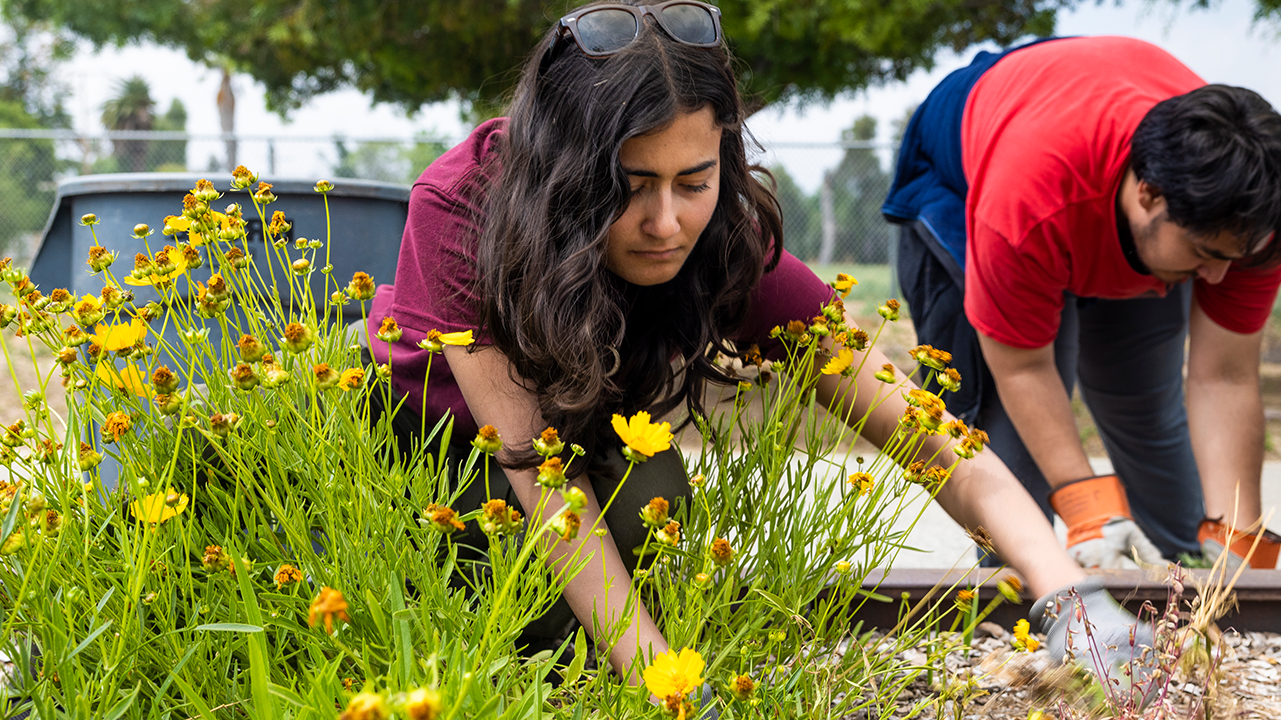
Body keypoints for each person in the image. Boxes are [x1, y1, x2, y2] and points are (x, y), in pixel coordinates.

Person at [365, 1, 1134, 688]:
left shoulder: (725, 250)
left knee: (650, 506)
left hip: (568, 442)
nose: (666, 224)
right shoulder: (467, 204)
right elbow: (538, 472)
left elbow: (934, 441)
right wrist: (667, 684)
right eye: (628, 187)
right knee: (514, 582)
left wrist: (1072, 595)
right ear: (563, 172)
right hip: (410, 436)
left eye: (693, 183)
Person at [883, 36, 1281, 571]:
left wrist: (1239, 539)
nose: (1218, 277)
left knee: (1143, 403)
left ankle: (1187, 583)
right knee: (1009, 442)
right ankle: (1031, 596)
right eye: (1206, 254)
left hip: (1106, 191)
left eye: (1236, 257)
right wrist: (1086, 507)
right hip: (968, 181)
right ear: (1149, 194)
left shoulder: (1251, 218)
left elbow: (1223, 378)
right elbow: (1024, 365)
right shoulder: (1027, 200)